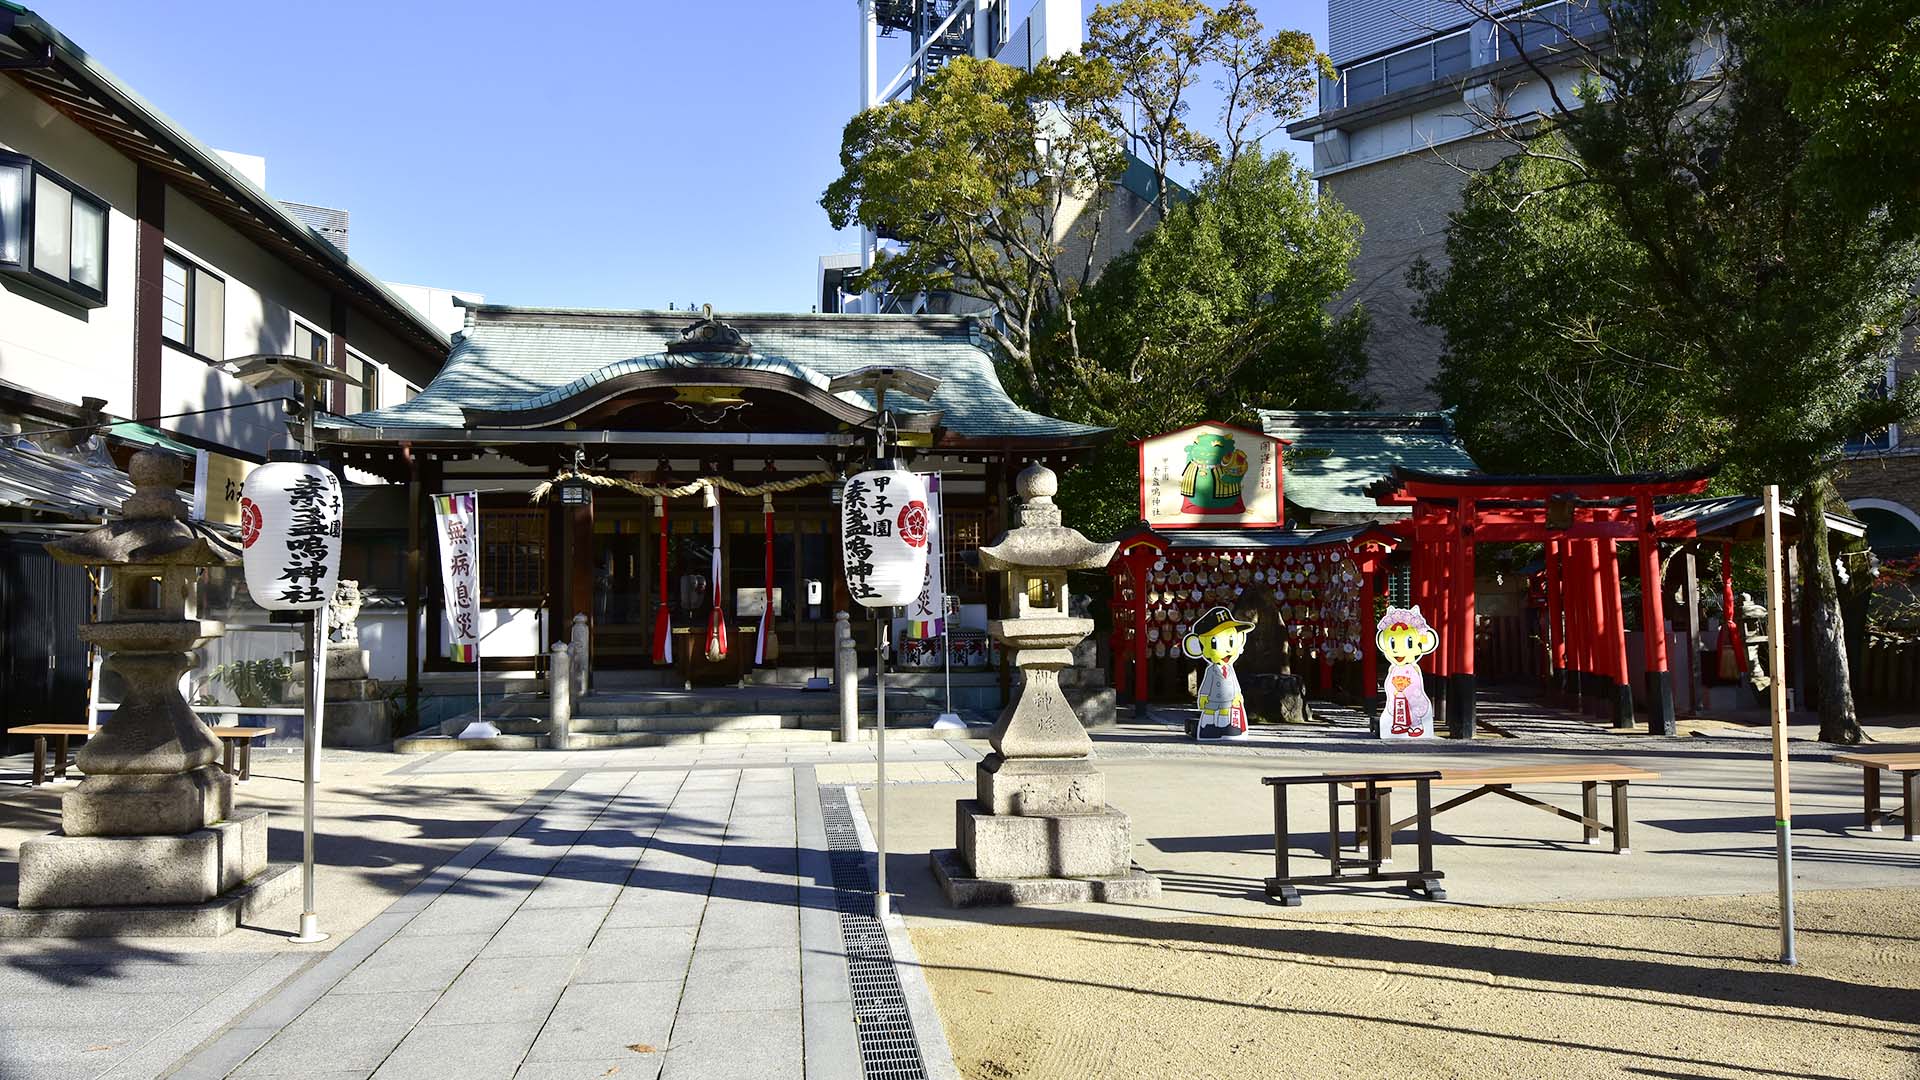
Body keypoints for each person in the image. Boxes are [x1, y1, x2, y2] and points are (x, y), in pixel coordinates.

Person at [1182, 606, 1255, 739]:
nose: (1227, 650)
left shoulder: (1230, 669)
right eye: (1214, 643)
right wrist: (1203, 696)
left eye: (1231, 641)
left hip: (1228, 700)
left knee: (1224, 714)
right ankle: (1208, 728)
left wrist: (1238, 695)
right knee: (1210, 714)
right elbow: (1206, 684)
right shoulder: (1211, 670)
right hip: (1213, 700)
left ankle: (1224, 729)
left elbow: (1234, 683)